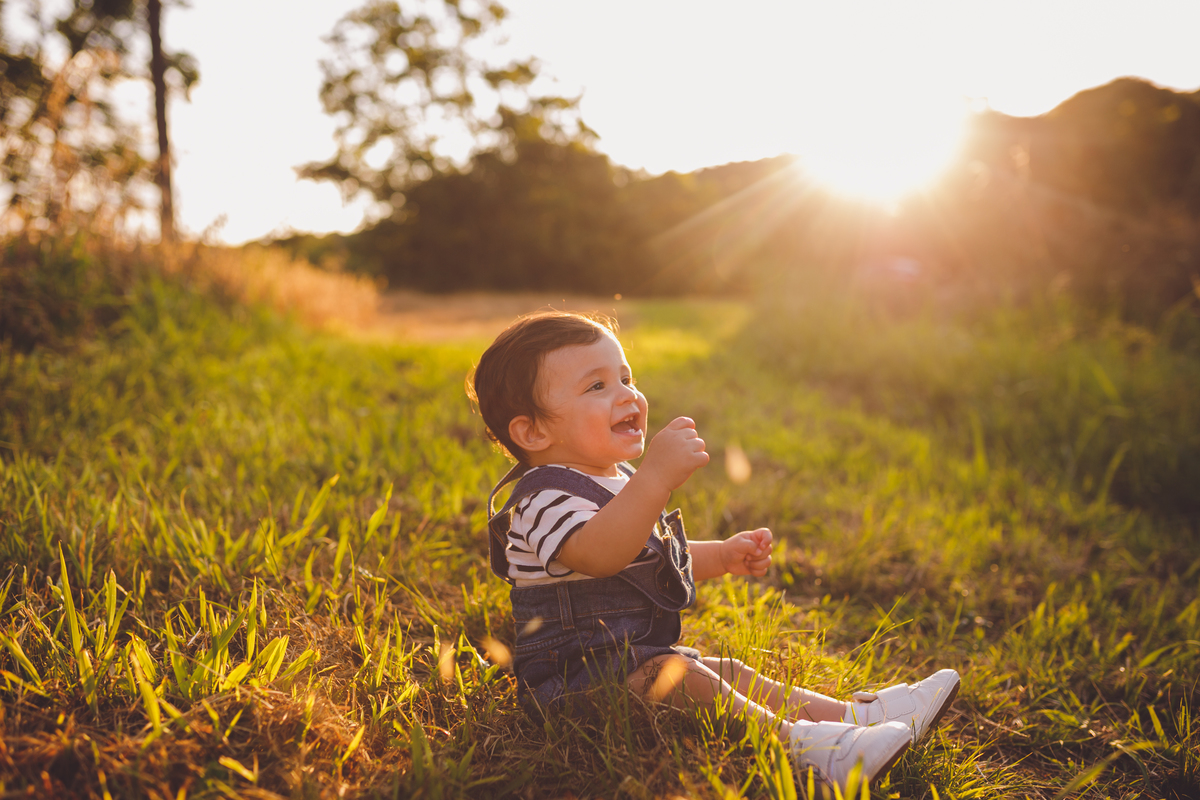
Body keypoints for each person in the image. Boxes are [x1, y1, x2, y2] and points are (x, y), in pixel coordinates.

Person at [468, 310, 959, 794]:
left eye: (625, 377)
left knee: (729, 673)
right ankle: (810, 749)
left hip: (630, 659)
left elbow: (651, 560)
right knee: (682, 676)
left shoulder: (615, 483)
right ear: (533, 432)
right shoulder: (541, 499)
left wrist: (721, 556)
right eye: (597, 387)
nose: (627, 395)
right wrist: (655, 481)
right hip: (572, 681)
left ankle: (860, 717)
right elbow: (600, 556)